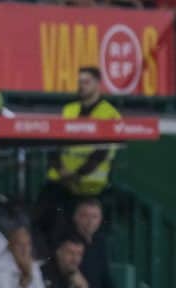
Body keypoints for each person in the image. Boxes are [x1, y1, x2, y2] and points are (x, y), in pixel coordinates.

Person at [38, 66, 121, 251]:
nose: (81, 86)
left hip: (90, 189)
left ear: (98, 85)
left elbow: (102, 153)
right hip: (62, 185)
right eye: (80, 82)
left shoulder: (109, 114)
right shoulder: (69, 109)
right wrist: (61, 170)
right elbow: (55, 143)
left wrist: (76, 174)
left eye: (86, 82)